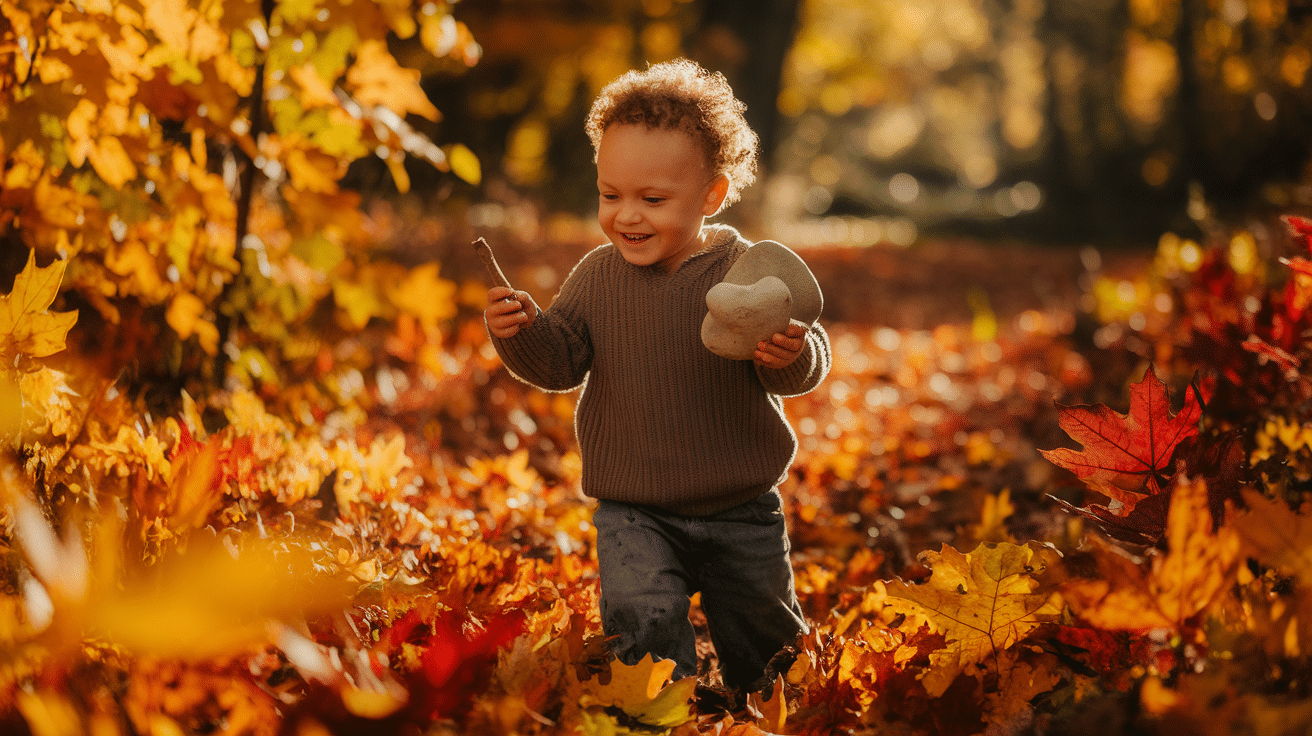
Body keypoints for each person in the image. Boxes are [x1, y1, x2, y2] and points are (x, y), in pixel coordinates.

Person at [483, 58, 831, 698]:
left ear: (711, 196)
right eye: (610, 195)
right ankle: (661, 708)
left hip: (740, 506)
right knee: (641, 621)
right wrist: (521, 334)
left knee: (766, 643)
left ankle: (774, 709)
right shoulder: (597, 276)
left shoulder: (745, 271)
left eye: (652, 200)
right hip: (633, 507)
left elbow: (800, 356)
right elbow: (560, 361)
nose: (627, 216)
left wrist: (791, 354)